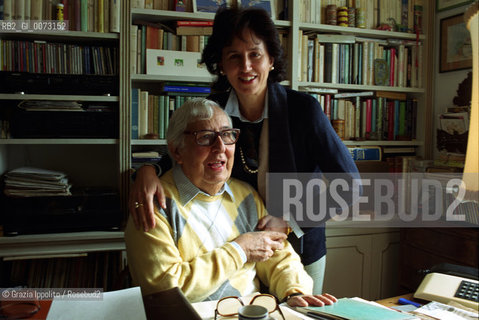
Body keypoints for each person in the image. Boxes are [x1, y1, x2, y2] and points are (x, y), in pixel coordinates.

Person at [129, 7, 359, 294]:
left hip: (297, 248)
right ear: (221, 65)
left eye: (255, 54)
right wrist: (147, 171)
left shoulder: (303, 110)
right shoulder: (217, 108)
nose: (246, 66)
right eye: (234, 56)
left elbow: (350, 186)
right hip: (238, 247)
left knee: (299, 308)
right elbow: (184, 150)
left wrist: (288, 220)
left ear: (271, 59)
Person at [125, 98, 337, 308]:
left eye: (227, 135)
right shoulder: (153, 206)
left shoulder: (246, 195)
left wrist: (294, 291)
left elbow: (279, 258)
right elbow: (166, 290)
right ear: (177, 151)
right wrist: (240, 250)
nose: (220, 148)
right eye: (205, 137)